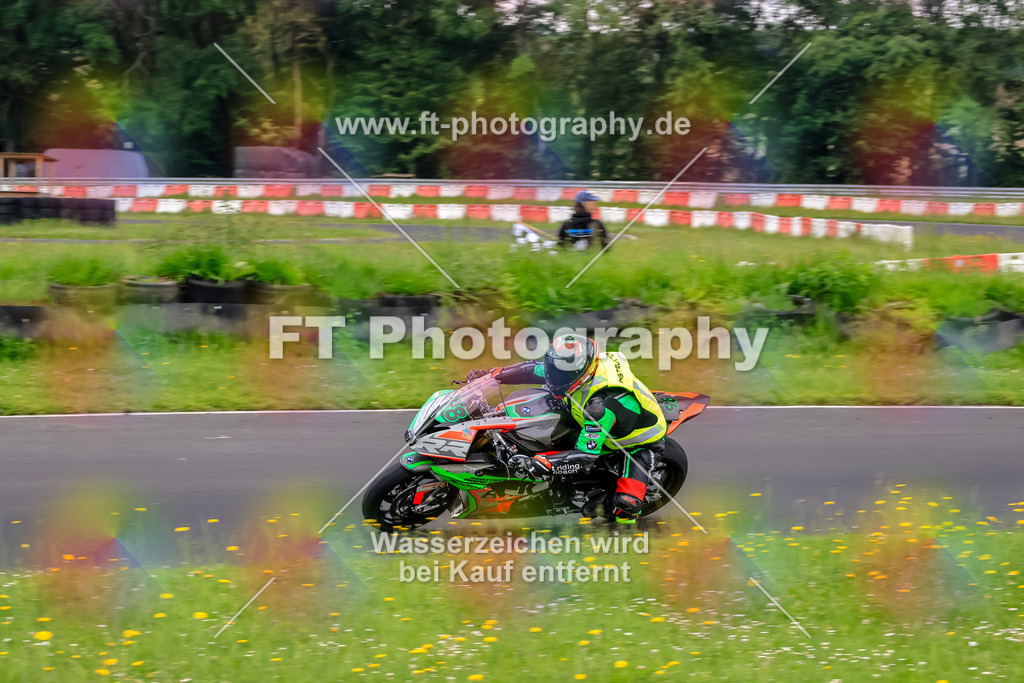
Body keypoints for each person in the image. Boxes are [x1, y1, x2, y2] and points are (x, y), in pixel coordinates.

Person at [466, 335, 666, 523]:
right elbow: (532, 369)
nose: (554, 378)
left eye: (562, 375)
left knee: (625, 506)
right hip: (590, 418)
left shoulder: (600, 407)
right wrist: (490, 375)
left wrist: (545, 463)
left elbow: (585, 455)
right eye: (553, 369)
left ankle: (620, 523)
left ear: (583, 372)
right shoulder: (569, 370)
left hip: (637, 444)